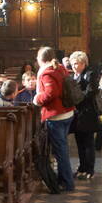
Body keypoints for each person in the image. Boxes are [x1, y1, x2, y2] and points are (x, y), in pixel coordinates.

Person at [33, 46, 75, 192]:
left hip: (56, 115)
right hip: (67, 112)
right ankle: (64, 179)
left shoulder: (47, 72)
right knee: (62, 149)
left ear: (40, 59)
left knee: (60, 151)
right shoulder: (60, 68)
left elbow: (51, 93)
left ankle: (67, 183)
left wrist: (37, 99)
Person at [67, 50, 101, 179]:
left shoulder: (90, 74)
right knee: (79, 142)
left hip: (87, 112)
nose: (76, 66)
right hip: (77, 113)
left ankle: (89, 169)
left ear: (84, 63)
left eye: (79, 63)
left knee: (88, 143)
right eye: (74, 63)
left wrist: (76, 100)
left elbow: (91, 92)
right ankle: (82, 167)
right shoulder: (72, 76)